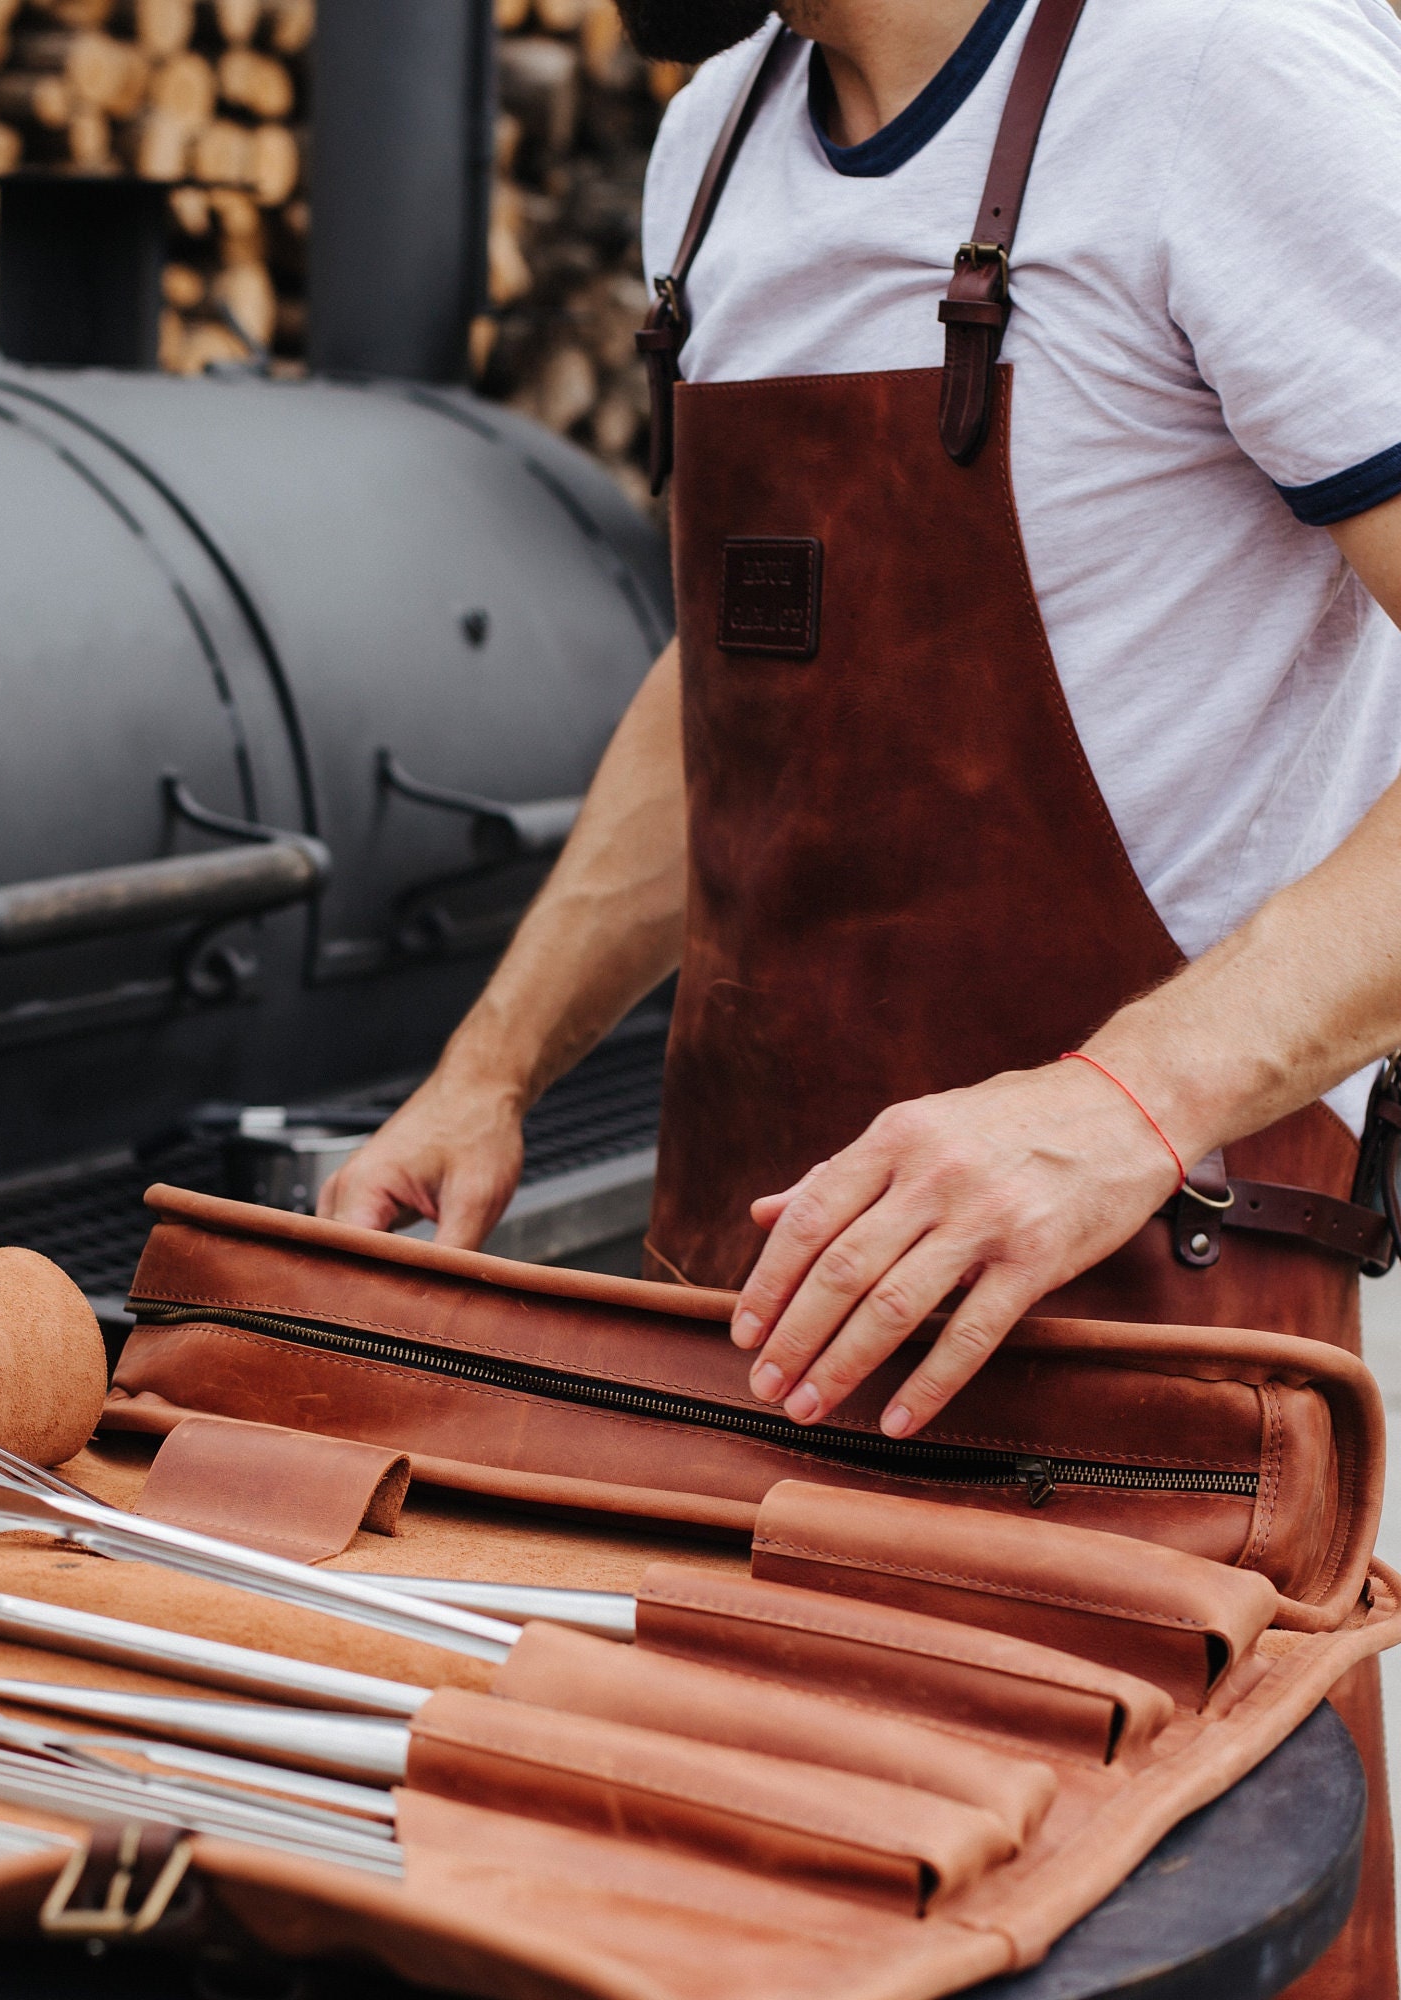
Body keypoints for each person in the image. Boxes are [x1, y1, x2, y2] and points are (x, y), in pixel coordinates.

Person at [320, 0, 1401, 1990]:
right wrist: (488, 1069)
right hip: (735, 1389)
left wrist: (1122, 1102)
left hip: (1144, 1408)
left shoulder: (1222, 83)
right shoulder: (715, 143)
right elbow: (731, 669)